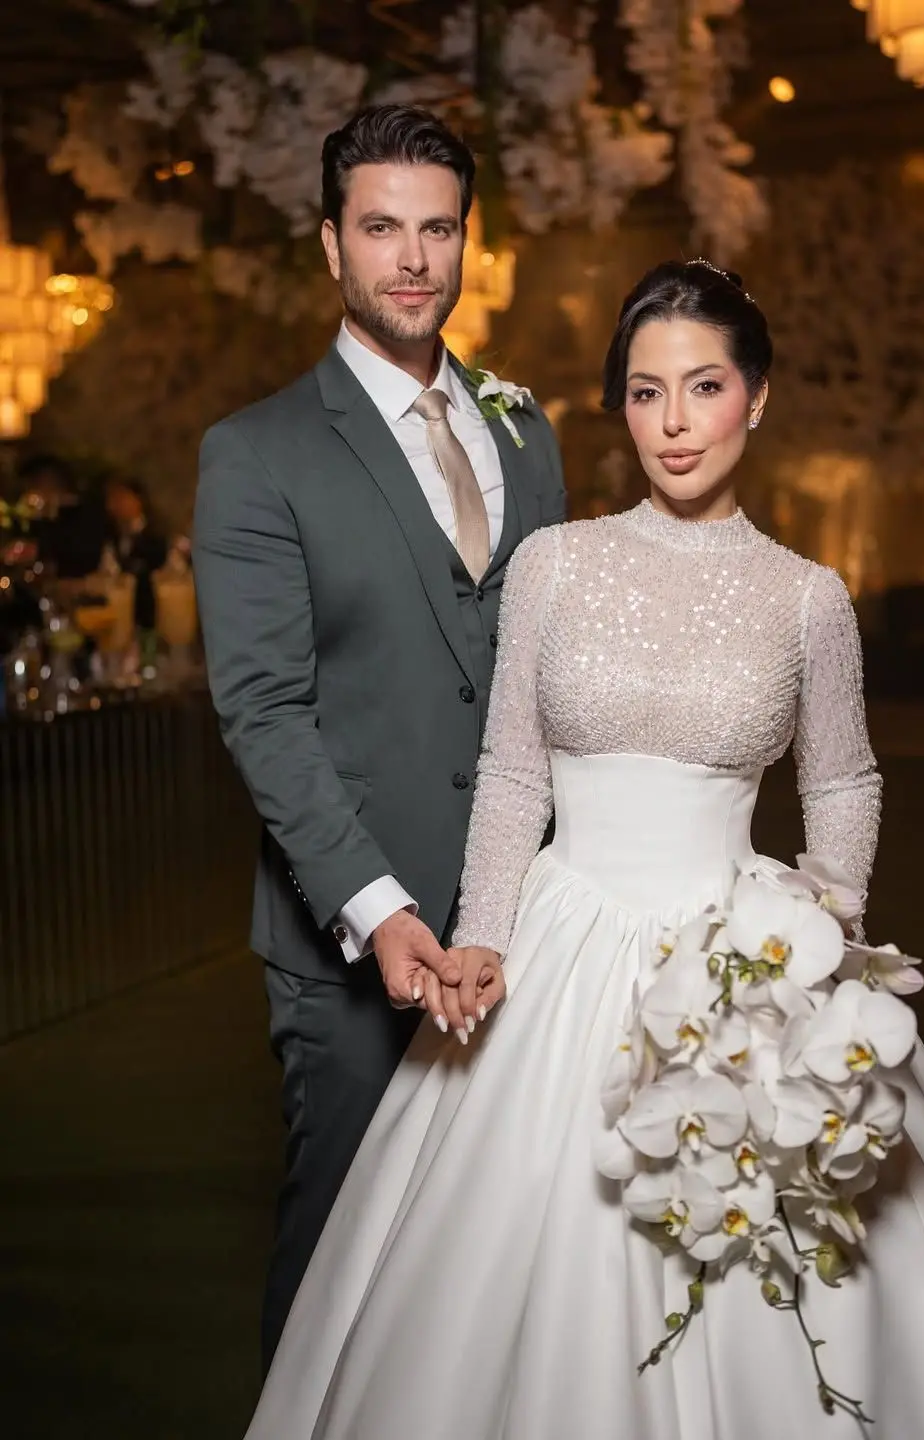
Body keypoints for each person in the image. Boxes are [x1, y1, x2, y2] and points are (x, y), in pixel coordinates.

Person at [243, 259, 924, 1437]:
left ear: (757, 397)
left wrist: (821, 937)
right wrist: (483, 935)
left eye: (704, 387)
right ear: (621, 408)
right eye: (646, 393)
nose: (675, 423)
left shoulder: (808, 598)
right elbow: (515, 772)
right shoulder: (554, 565)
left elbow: (841, 778)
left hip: (744, 955)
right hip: (559, 946)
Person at [192, 103, 566, 1372]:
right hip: (352, 946)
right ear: (330, 244)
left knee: (512, 1263)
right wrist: (379, 907)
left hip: (527, 929)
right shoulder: (256, 455)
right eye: (381, 228)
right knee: (342, 1274)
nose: (412, 259)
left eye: (438, 230)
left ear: (467, 243)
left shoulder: (525, 431)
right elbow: (263, 710)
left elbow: (546, 677)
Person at [104, 477, 168, 633]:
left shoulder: (155, 537)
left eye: (121, 497)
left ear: (139, 500)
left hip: (150, 622)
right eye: (111, 499)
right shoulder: (111, 537)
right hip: (120, 620)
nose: (114, 505)